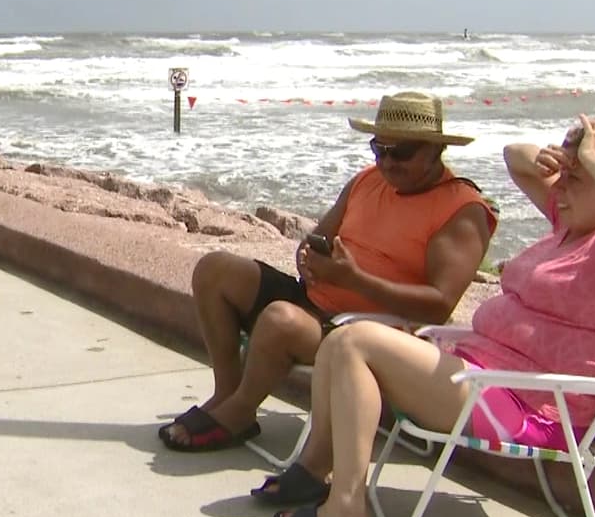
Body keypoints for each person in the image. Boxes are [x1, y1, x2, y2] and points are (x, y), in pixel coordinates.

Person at [263, 105, 595, 517]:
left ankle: (345, 516)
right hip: (486, 378)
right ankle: (317, 471)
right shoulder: (570, 227)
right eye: (563, 177)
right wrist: (569, 161)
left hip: (528, 406)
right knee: (339, 341)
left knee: (354, 343)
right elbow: (515, 156)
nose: (562, 188)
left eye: (577, 179)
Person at [159, 92, 498, 452]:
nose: (387, 162)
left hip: (370, 330)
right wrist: (308, 256)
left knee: (280, 320)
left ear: (434, 150)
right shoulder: (368, 180)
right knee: (215, 270)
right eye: (379, 149)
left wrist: (353, 279)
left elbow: (439, 305)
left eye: (401, 152)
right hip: (319, 302)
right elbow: (319, 237)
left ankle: (240, 412)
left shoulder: (462, 209)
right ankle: (226, 395)